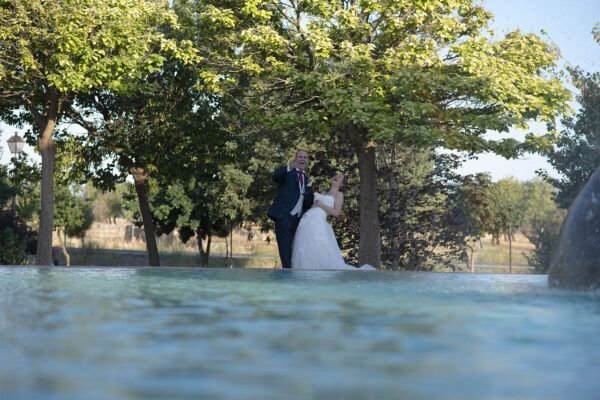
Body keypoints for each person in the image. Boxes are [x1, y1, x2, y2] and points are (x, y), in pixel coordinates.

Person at [291, 174, 376, 270]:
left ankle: (316, 270)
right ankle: (304, 271)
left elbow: (336, 213)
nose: (336, 176)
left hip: (318, 222)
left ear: (342, 184)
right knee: (304, 247)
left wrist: (320, 205)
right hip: (306, 220)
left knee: (316, 246)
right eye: (336, 175)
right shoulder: (323, 192)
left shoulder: (339, 194)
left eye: (340, 177)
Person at [267, 150, 314, 268]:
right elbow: (275, 177)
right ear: (295, 159)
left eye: (305, 157)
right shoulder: (287, 173)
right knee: (284, 246)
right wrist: (288, 167)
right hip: (284, 215)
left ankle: (292, 271)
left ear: (307, 161)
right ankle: (287, 272)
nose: (302, 159)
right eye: (300, 157)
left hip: (298, 218)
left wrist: (309, 193)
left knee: (295, 247)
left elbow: (307, 203)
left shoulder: (307, 179)